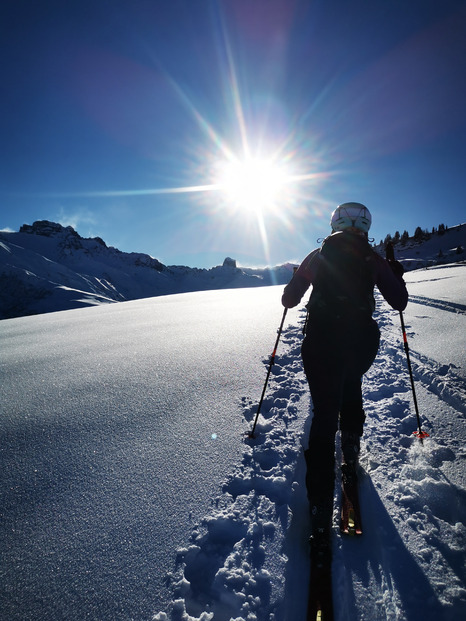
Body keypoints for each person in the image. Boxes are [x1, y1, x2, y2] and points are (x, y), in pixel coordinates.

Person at [281, 202, 408, 542]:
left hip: (320, 342)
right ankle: (350, 446)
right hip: (361, 342)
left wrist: (296, 279)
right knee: (351, 382)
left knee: (324, 415)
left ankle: (320, 504)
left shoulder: (318, 255)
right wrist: (395, 274)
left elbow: (289, 301)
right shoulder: (373, 259)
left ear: (334, 223)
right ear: (365, 227)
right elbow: (399, 302)